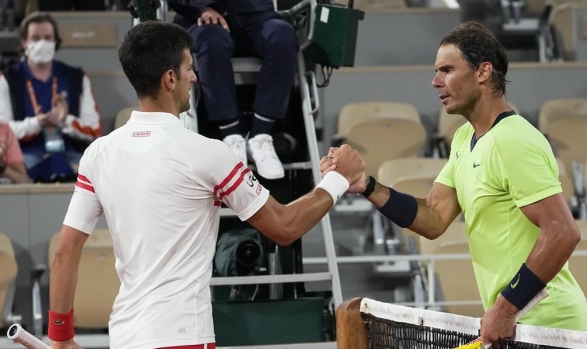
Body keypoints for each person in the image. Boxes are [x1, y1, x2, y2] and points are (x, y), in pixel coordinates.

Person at [48, 21, 364, 349]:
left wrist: (60, 337)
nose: (195, 77)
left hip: (127, 339)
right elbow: (285, 227)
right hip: (184, 338)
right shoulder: (208, 152)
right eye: (188, 68)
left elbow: (65, 251)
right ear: (170, 79)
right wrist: (339, 179)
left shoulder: (99, 153)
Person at [321, 22, 587, 348]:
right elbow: (433, 217)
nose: (435, 82)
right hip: (517, 320)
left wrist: (505, 308)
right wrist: (366, 185)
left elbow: (563, 231)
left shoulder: (514, 140)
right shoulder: (465, 138)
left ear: (483, 72)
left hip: (547, 322)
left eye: (447, 70)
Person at [167, 0, 299, 180]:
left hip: (256, 16)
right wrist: (202, 7)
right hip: (199, 18)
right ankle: (232, 137)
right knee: (212, 42)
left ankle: (261, 136)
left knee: (283, 36)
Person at [0, 12, 102, 182]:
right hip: (26, 157)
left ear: (55, 42)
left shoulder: (76, 78)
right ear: (24, 42)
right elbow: (3, 131)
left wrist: (64, 120)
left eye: (48, 38)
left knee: (94, 175)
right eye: (35, 38)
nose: (42, 43)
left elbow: (95, 129)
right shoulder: (7, 79)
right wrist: (36, 123)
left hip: (71, 154)